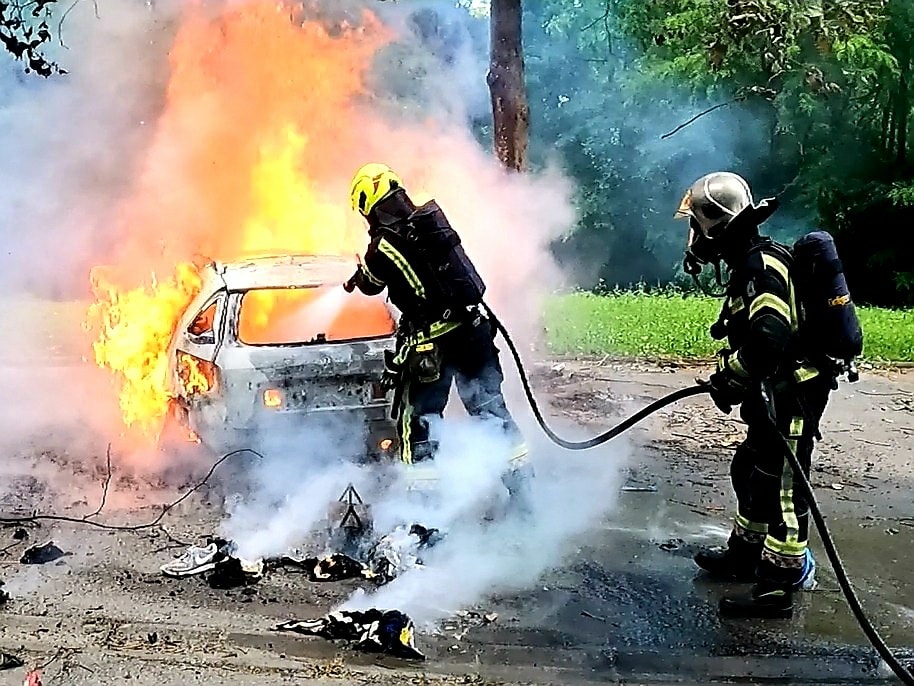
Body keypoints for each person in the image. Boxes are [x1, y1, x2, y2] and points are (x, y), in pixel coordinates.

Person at [674, 171, 836, 619]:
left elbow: (769, 337)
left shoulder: (760, 267)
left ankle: (776, 588)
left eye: (697, 223)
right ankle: (745, 556)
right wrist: (736, 377)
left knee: (783, 487)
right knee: (751, 471)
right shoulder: (748, 261)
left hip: (794, 393)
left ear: (715, 223)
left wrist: (732, 376)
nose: (694, 235)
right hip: (774, 394)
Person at [342, 162, 530, 499]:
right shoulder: (429, 224)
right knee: (489, 409)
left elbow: (372, 285)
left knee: (418, 422)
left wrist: (359, 276)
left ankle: (421, 511)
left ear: (367, 203)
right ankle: (524, 491)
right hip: (474, 333)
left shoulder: (382, 246)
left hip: (432, 348)